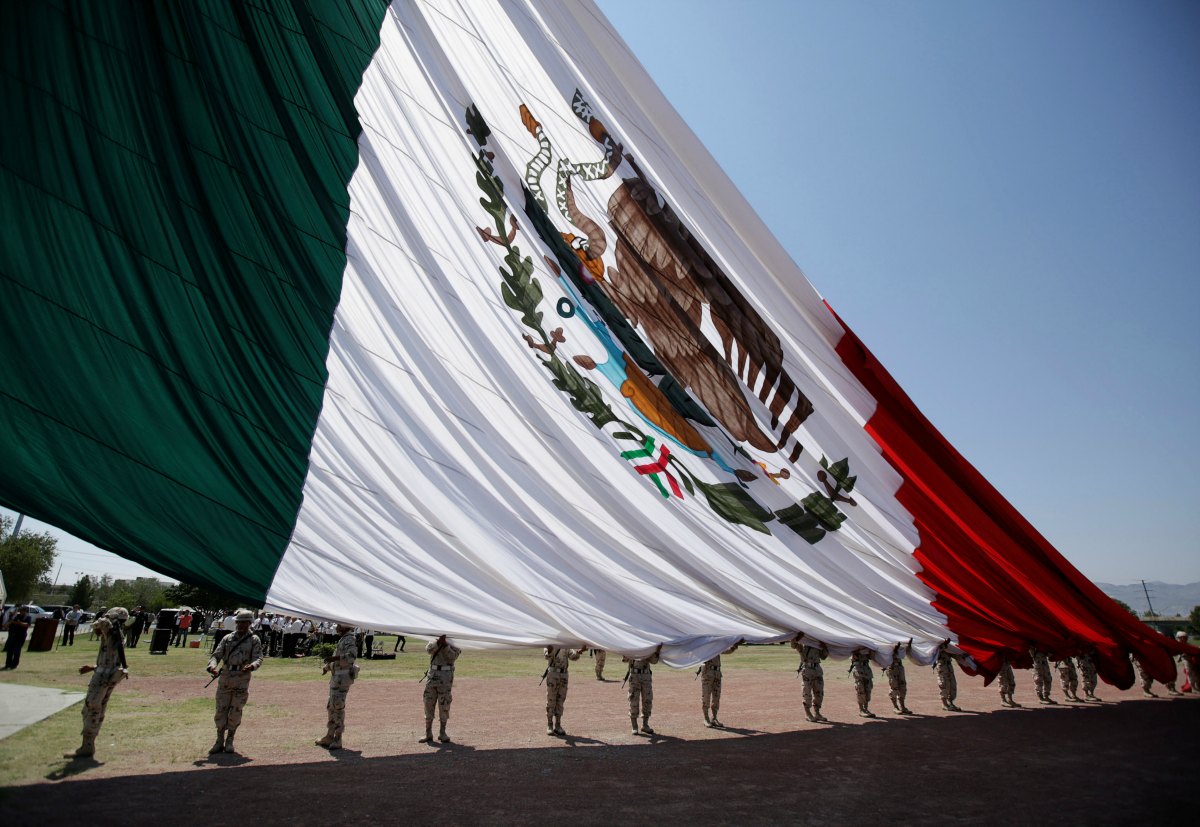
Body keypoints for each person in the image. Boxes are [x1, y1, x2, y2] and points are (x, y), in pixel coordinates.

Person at [64, 607, 130, 759]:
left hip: (102, 678)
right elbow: (110, 660)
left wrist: (106, 618)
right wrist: (93, 667)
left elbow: (97, 624)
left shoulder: (112, 633)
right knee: (97, 709)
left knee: (92, 709)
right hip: (108, 674)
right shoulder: (116, 635)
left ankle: (87, 746)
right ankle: (88, 744)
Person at [206, 608, 263, 754]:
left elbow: (258, 657)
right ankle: (219, 739)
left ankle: (230, 739)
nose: (241, 625)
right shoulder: (227, 638)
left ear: (250, 623)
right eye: (239, 622)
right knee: (221, 709)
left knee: (236, 710)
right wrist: (212, 666)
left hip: (242, 678)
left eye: (244, 623)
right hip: (226, 676)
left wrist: (253, 666)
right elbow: (216, 655)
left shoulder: (254, 640)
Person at [316, 623, 359, 750]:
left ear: (345, 626)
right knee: (331, 707)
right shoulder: (343, 639)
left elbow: (351, 657)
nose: (336, 627)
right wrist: (327, 667)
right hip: (336, 678)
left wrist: (334, 658)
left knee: (338, 707)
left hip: (342, 679)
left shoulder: (349, 639)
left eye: (339, 625)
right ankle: (329, 735)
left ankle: (338, 738)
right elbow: (338, 662)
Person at [420, 634, 461, 744]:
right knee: (428, 702)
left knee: (444, 703)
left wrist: (446, 645)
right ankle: (428, 732)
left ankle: (442, 733)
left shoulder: (455, 642)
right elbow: (428, 650)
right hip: (432, 676)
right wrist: (438, 643)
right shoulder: (434, 639)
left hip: (445, 677)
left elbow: (453, 657)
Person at [543, 644, 585, 736]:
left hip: (564, 675)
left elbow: (573, 657)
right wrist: (550, 650)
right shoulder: (550, 643)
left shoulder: (565, 644)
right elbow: (546, 656)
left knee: (561, 700)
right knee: (551, 700)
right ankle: (550, 725)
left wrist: (579, 652)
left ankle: (558, 725)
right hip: (553, 674)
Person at [699, 640, 741, 728]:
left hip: (717, 673)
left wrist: (735, 645)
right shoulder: (703, 646)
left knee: (716, 697)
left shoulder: (717, 647)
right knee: (706, 696)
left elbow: (727, 651)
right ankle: (706, 718)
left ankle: (714, 718)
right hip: (707, 673)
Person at [622, 644, 663, 736]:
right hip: (634, 676)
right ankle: (634, 726)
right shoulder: (631, 646)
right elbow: (625, 659)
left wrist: (657, 650)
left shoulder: (648, 647)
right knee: (633, 700)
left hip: (646, 676)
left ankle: (645, 725)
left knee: (647, 700)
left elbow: (654, 661)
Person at [791, 636, 829, 723]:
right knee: (807, 692)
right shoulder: (803, 643)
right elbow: (793, 645)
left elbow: (823, 657)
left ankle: (817, 713)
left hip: (817, 670)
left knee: (819, 692)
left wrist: (824, 647)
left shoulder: (817, 643)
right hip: (807, 670)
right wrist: (798, 637)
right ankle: (808, 713)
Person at [884, 640, 913, 715]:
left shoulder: (900, 645)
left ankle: (902, 706)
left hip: (899, 667)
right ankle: (895, 707)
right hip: (892, 667)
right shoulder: (887, 645)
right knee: (894, 687)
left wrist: (909, 644)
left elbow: (905, 651)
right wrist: (896, 648)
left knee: (902, 686)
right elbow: (889, 653)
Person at [934, 639, 963, 712]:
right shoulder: (936, 643)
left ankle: (950, 703)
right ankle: (944, 704)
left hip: (949, 665)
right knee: (944, 684)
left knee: (952, 684)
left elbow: (952, 654)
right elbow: (936, 652)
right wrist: (944, 644)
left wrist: (963, 655)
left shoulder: (948, 646)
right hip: (942, 666)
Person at [849, 647, 876, 718]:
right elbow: (853, 657)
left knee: (868, 689)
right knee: (860, 689)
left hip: (866, 668)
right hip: (858, 669)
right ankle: (861, 710)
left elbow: (871, 657)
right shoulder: (854, 645)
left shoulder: (867, 647)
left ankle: (866, 709)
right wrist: (858, 651)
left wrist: (871, 649)